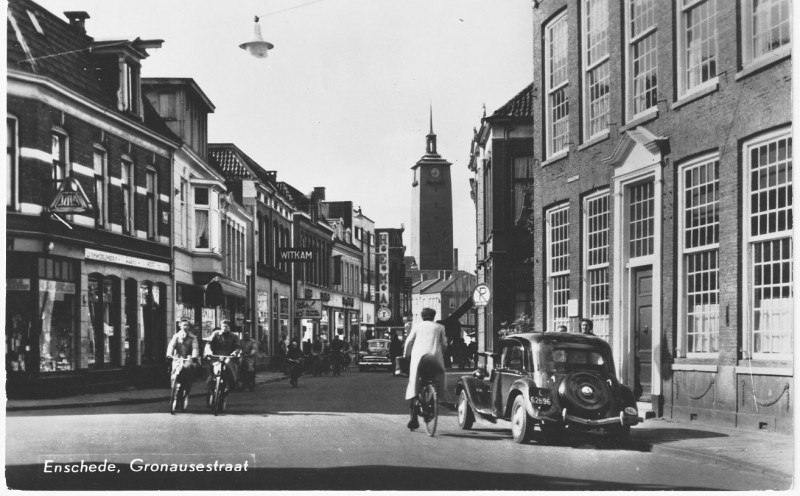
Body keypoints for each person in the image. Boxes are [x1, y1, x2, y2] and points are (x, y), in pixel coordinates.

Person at [404, 307, 447, 431]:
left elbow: (408, 342)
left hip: (419, 359)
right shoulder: (440, 327)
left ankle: (414, 414)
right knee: (439, 376)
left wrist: (406, 355)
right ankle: (437, 396)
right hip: (435, 358)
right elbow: (444, 344)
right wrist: (442, 353)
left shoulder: (417, 326)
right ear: (434, 316)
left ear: (422, 316)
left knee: (414, 382)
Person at [204, 319, 242, 393]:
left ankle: (231, 383)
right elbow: (209, 343)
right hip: (216, 357)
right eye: (223, 326)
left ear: (229, 327)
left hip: (228, 357)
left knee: (229, 367)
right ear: (221, 326)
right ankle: (210, 383)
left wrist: (235, 353)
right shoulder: (215, 334)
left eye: (226, 326)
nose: (224, 328)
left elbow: (238, 347)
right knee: (212, 369)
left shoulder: (234, 336)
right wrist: (209, 351)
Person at [166, 318, 199, 397]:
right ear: (180, 326)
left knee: (188, 372)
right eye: (183, 325)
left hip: (187, 359)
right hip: (177, 358)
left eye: (186, 325)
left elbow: (195, 347)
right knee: (174, 375)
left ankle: (186, 390)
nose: (185, 327)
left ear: (189, 327)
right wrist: (169, 354)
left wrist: (194, 356)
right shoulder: (176, 336)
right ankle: (174, 392)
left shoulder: (192, 337)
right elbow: (171, 345)